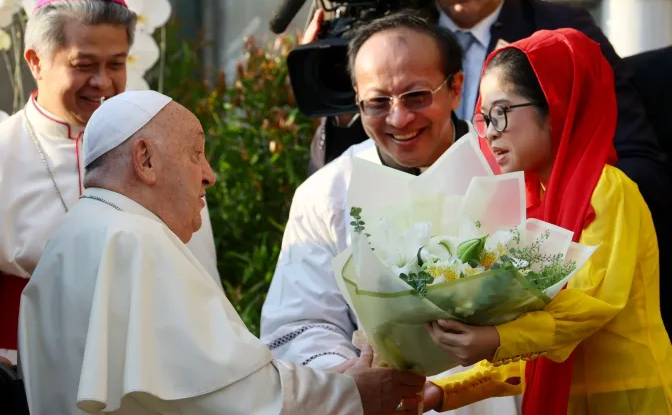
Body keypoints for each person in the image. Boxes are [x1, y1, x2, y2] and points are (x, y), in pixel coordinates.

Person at [304, 0, 672, 334]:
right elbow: (346, 177)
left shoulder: (559, 32)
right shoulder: (394, 33)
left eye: (417, 94)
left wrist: (544, 228)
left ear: (455, 86)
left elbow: (634, 157)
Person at [17, 89, 427, 414]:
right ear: (144, 159)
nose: (210, 175)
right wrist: (352, 396)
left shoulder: (72, 238)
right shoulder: (134, 240)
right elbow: (240, 398)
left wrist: (336, 385)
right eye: (196, 153)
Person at [261, 11, 520, 415]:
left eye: (417, 96)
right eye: (378, 102)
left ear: (456, 87)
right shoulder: (327, 192)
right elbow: (301, 324)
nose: (399, 118)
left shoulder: (511, 170)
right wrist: (355, 380)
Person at [420, 28, 672, 414]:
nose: (489, 133)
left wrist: (497, 336)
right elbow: (538, 342)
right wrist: (447, 390)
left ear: (554, 105)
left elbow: (588, 307)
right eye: (484, 117)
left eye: (501, 113)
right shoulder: (529, 204)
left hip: (626, 397)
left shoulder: (607, 189)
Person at [0, 0, 220, 365]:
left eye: (116, 64)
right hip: (20, 374)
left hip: (145, 373)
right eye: (84, 65)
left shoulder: (160, 149)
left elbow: (199, 280)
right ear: (35, 61)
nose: (103, 82)